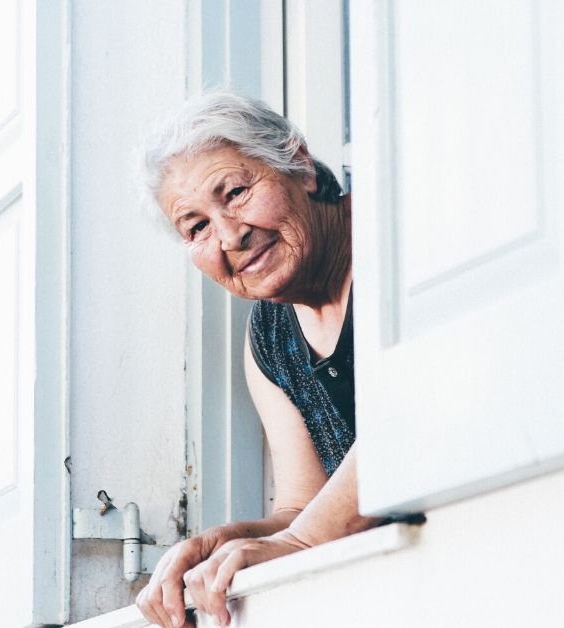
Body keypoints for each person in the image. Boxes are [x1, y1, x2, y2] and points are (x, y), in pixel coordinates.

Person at [136, 92, 378, 627]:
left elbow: (421, 411)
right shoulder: (269, 337)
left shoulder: (395, 242)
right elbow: (301, 508)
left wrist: (302, 539)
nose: (230, 236)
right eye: (196, 226)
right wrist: (217, 545)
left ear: (300, 166)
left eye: (237, 191)